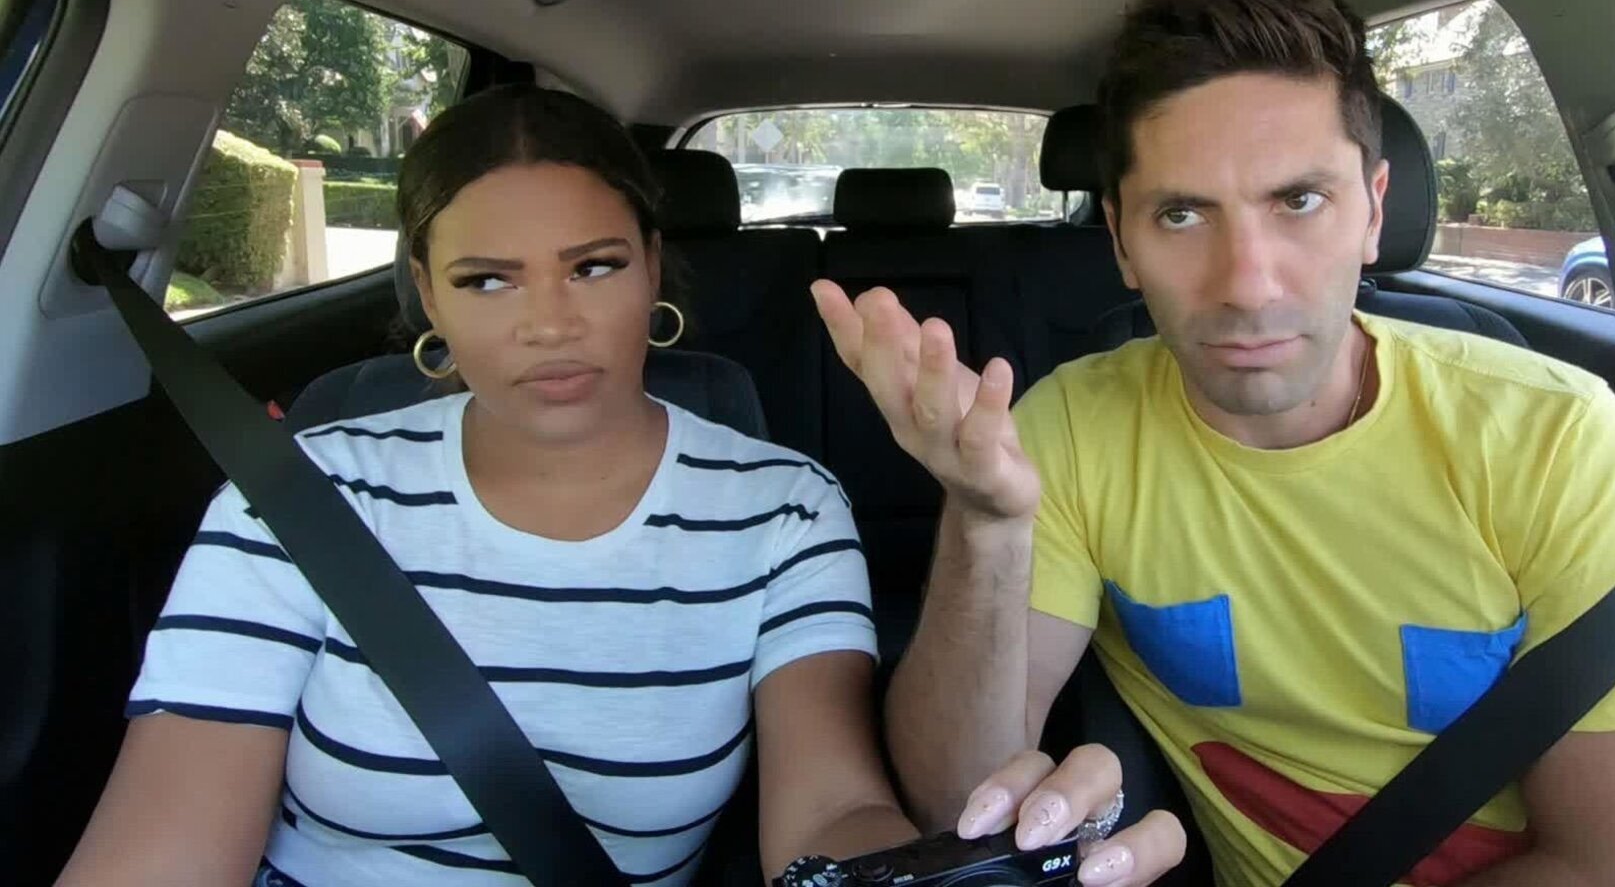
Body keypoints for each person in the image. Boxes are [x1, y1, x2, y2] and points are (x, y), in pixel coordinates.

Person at [57, 86, 1135, 887]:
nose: (549, 323)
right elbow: (162, 848)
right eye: (487, 280)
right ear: (426, 292)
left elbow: (833, 813)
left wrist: (927, 877)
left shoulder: (783, 508)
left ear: (654, 266)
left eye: (594, 266)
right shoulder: (299, 495)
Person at [815, 0, 1615, 885]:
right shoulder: (1072, 431)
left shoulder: (1554, 441)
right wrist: (986, 521)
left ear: (1373, 211)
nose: (1247, 284)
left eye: (1299, 201)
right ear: (1120, 241)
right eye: (1182, 216)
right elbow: (955, 806)